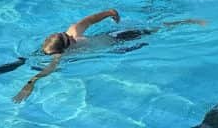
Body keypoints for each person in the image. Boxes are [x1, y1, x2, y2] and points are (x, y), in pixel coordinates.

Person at [14, 9, 205, 102]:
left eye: (66, 35)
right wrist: (30, 83)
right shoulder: (60, 55)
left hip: (118, 38)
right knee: (149, 38)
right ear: (64, 49)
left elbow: (90, 20)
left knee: (155, 30)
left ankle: (188, 21)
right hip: (117, 48)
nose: (70, 36)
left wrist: (110, 12)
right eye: (68, 39)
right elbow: (48, 69)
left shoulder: (73, 32)